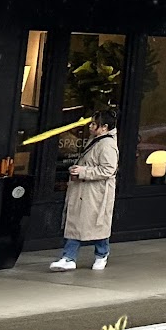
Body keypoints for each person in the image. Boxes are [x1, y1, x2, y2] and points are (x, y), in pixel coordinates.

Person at [51, 110, 118, 272]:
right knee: (78, 224)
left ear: (104, 127)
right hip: (84, 190)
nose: (90, 126)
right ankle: (69, 257)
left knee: (96, 225)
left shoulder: (107, 144)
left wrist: (83, 171)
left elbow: (108, 170)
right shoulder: (96, 140)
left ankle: (101, 254)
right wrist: (79, 170)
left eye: (94, 124)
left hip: (96, 193)